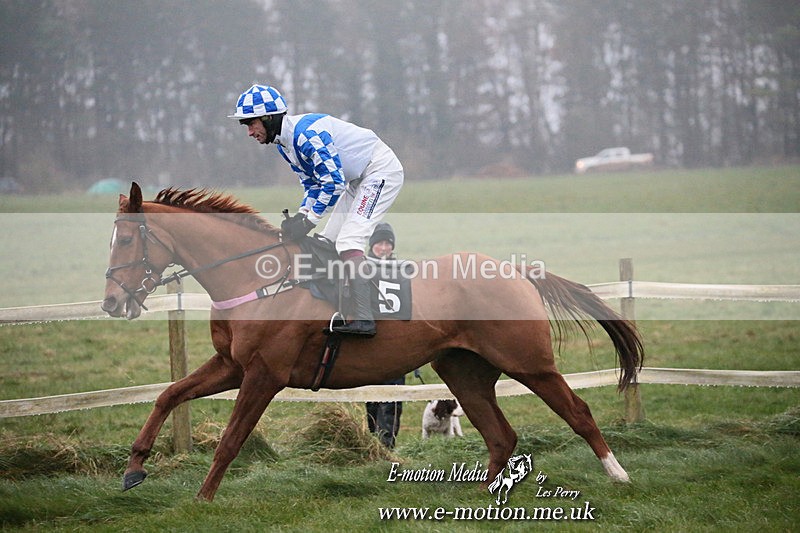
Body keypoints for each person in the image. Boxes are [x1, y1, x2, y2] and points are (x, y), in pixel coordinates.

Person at [229, 84, 404, 337]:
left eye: (251, 123)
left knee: (349, 241)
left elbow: (332, 183)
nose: (249, 132)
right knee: (326, 241)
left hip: (380, 171)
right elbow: (312, 184)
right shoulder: (285, 144)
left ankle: (365, 318)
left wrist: (309, 220)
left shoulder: (306, 135)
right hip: (356, 179)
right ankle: (339, 306)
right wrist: (302, 215)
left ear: (269, 118)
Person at [363, 222, 409, 448]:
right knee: (371, 399)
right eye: (379, 243)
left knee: (392, 401)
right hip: (370, 344)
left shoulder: (401, 271)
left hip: (396, 344)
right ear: (371, 246)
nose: (383, 248)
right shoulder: (361, 270)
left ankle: (387, 447)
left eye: (387, 244)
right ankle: (372, 444)